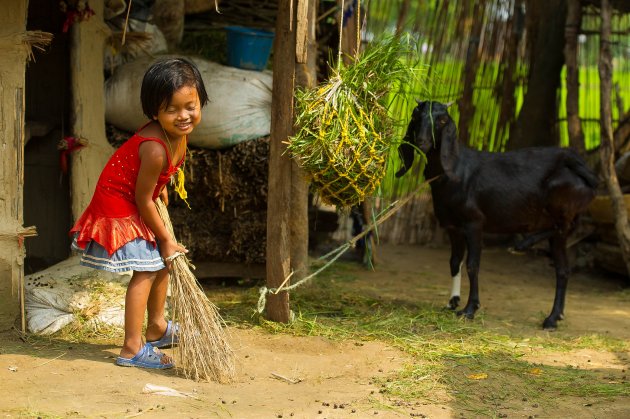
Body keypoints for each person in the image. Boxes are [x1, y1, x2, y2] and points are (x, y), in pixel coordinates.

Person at [70, 57, 208, 369]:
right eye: (171, 110)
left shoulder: (179, 136)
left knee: (163, 266)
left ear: (201, 100)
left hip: (136, 197)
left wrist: (163, 186)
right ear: (154, 113)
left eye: (190, 106)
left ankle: (157, 327)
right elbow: (142, 199)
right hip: (118, 204)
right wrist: (166, 238)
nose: (183, 116)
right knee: (146, 270)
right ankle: (132, 347)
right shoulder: (155, 148)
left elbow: (156, 181)